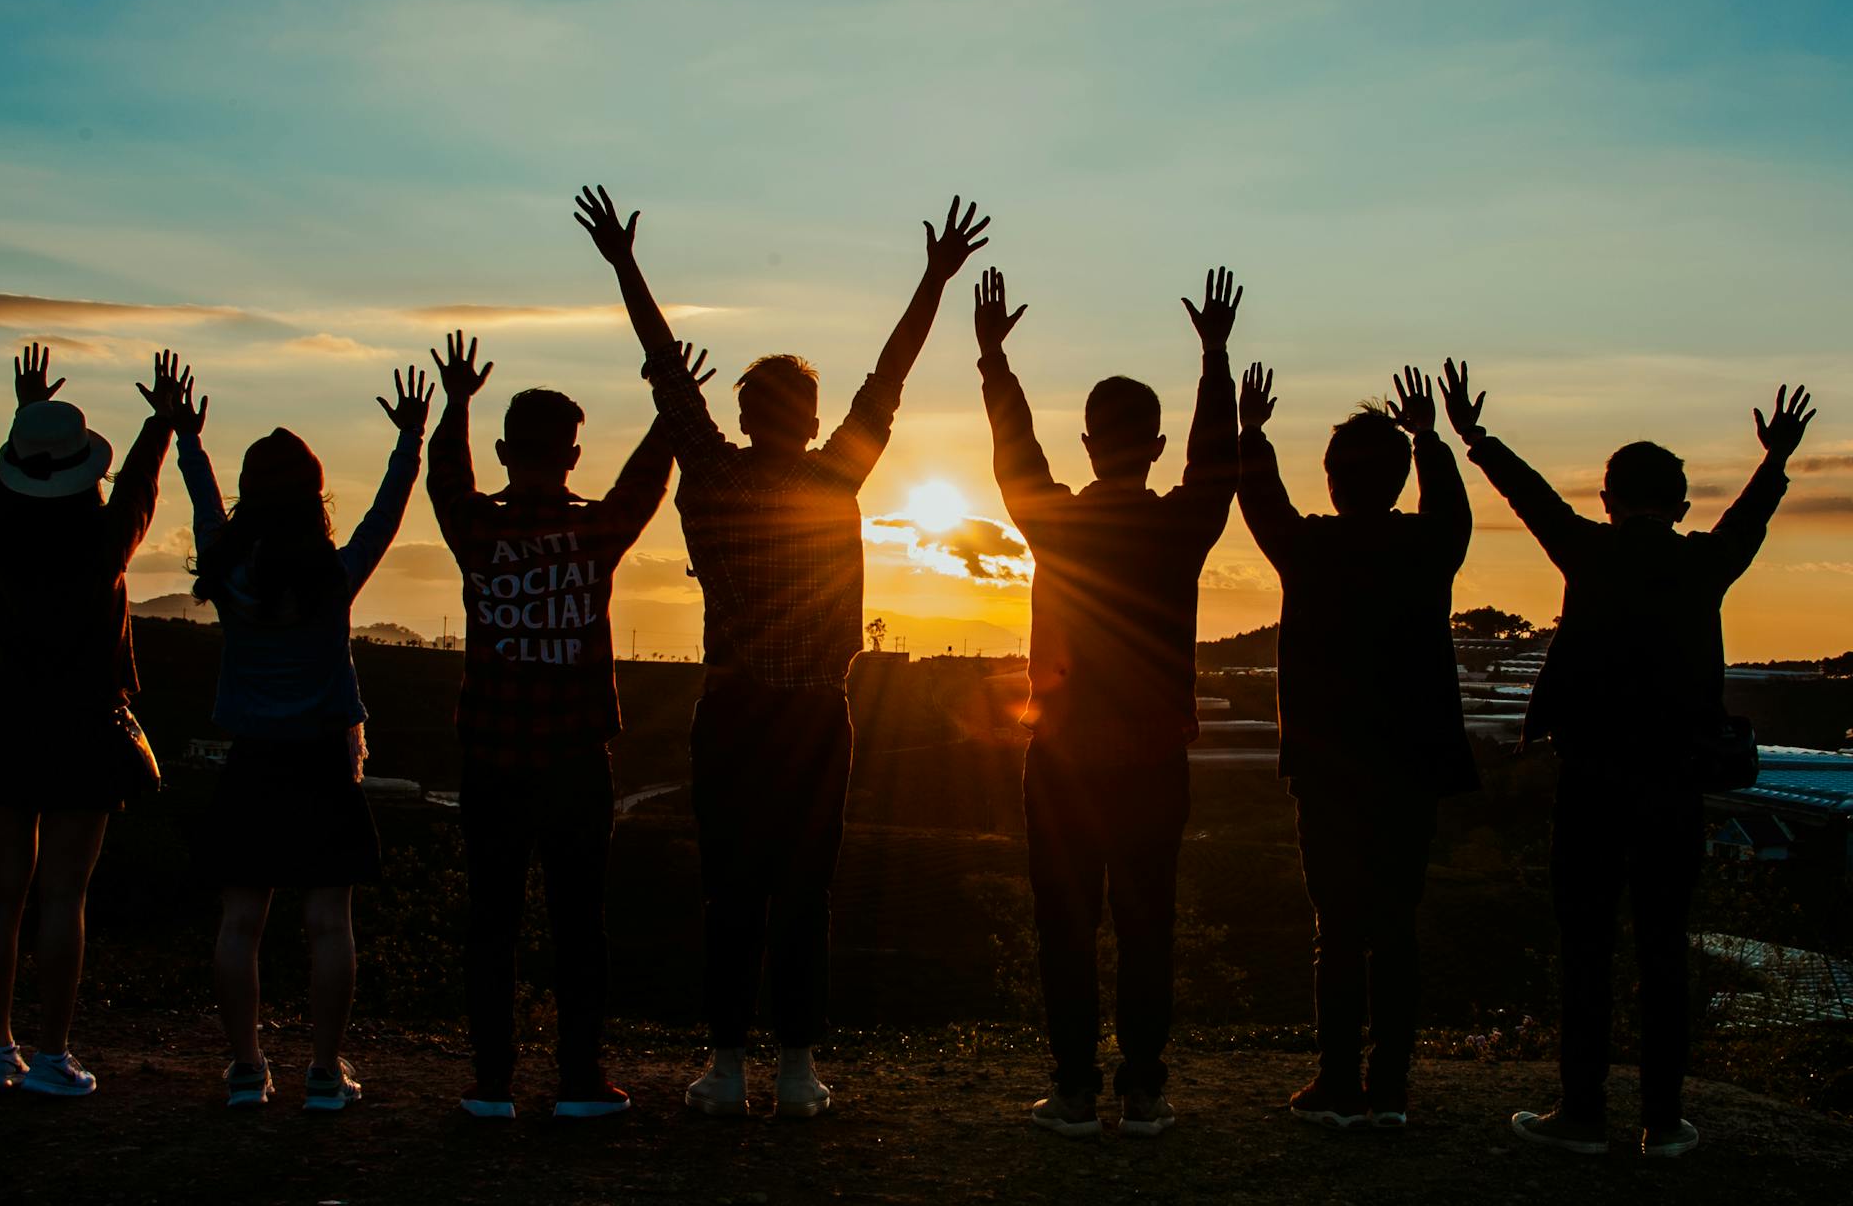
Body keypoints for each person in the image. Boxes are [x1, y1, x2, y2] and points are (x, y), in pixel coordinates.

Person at [579, 184, 990, 1119]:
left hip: (731, 712)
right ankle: (798, 1067)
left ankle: (725, 1066)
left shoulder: (713, 474)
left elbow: (664, 370)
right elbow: (890, 376)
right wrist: (932, 276)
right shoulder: (833, 474)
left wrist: (625, 265)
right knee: (806, 889)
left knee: (731, 889)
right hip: (812, 716)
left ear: (745, 410)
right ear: (807, 419)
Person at [1443, 362, 1814, 1158]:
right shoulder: (1703, 562)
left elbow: (1531, 496)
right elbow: (1750, 517)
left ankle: (1580, 1112)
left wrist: (1475, 436)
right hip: (1676, 786)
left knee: (1585, 945)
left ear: (1606, 498)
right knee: (1663, 945)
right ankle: (1663, 1117)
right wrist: (1775, 458)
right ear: (1681, 504)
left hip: (1590, 783)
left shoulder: (1589, 551)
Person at [974, 265, 1240, 1139]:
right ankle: (1146, 1091)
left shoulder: (1056, 520)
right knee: (1146, 925)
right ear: (1154, 444)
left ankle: (1077, 1089)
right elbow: (1217, 465)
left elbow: (1017, 457)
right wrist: (1214, 358)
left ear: (1088, 444)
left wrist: (994, 364)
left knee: (1066, 926)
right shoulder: (1180, 526)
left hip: (1061, 758)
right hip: (1155, 759)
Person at [425, 330, 711, 1121]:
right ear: (573, 455)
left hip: (490, 756)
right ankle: (580, 1079)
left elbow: (445, 479)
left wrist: (454, 401)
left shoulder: (477, 531)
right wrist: (670, 406)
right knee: (581, 923)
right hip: (577, 759)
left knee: (492, 921)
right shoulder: (593, 533)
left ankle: (490, 1083)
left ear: (506, 449)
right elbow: (645, 483)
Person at [175, 365, 430, 1112]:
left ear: (253, 495)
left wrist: (188, 437)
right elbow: (385, 513)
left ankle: (247, 1070)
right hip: (323, 761)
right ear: (314, 497)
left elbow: (203, 501)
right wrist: (409, 440)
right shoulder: (333, 575)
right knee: (328, 921)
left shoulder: (228, 571)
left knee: (241, 920)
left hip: (251, 759)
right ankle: (325, 1070)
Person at [1237, 364, 1474, 1130]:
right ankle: (1391, 1087)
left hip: (1328, 768)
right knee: (1397, 923)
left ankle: (1337, 1082)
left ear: (1333, 480)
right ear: (1401, 478)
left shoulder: (1310, 550)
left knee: (1335, 926)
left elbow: (1260, 501)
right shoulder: (1428, 547)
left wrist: (1251, 432)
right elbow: (1454, 512)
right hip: (1410, 766)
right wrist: (1431, 438)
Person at [0, 344, 187, 1097]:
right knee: (64, 894)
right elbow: (140, 492)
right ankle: (54, 1052)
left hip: (3, 713)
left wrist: (25, 413)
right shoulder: (101, 544)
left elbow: (13, 483)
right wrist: (161, 421)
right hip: (84, 720)